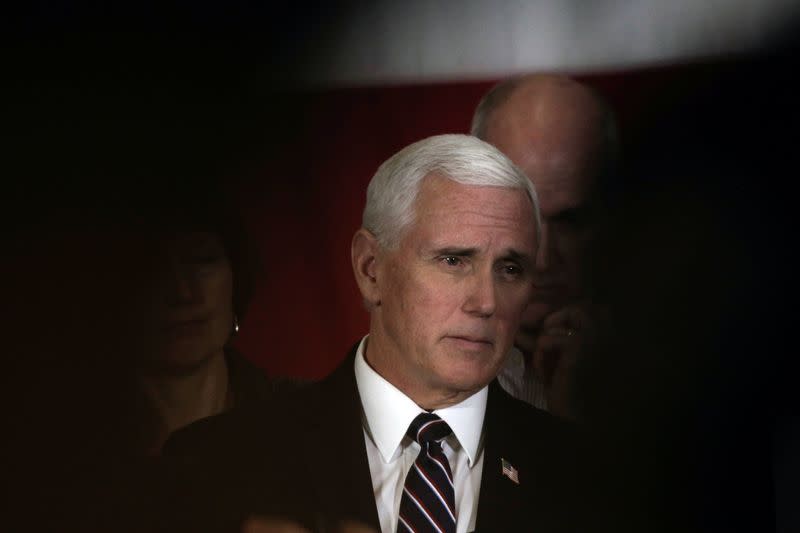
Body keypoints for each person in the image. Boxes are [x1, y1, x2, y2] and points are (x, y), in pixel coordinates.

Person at [165, 134, 595, 533]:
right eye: (453, 261)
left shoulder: (593, 477)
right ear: (371, 269)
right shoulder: (214, 464)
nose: (486, 302)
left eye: (510, 269)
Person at [471, 74, 619, 418]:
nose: (541, 257)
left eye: (571, 223)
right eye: (519, 215)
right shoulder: (412, 374)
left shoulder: (689, 379)